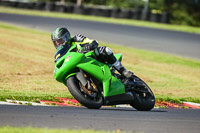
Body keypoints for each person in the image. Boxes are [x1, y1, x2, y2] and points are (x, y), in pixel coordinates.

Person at [51, 27, 133, 78]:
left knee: (105, 50)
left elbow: (92, 42)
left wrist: (89, 46)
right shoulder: (60, 53)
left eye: (60, 41)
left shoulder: (77, 38)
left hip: (91, 58)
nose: (58, 44)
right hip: (78, 65)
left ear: (66, 37)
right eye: (56, 42)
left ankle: (123, 71)